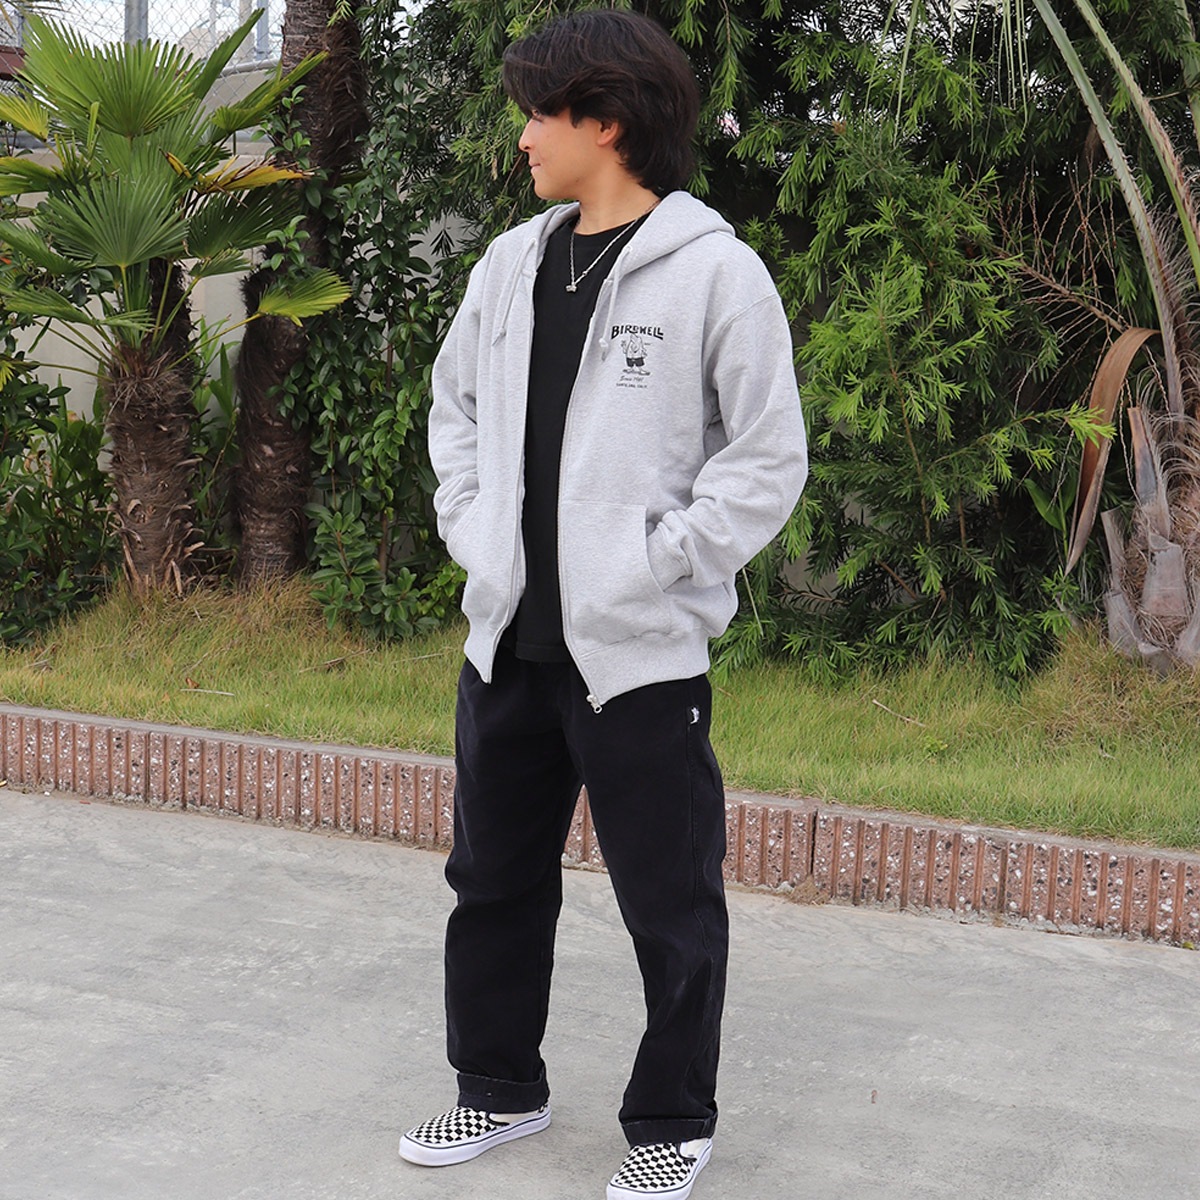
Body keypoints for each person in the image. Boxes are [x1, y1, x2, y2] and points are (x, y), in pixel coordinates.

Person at [399, 10, 807, 1199]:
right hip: (507, 649)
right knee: (490, 885)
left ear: (607, 122)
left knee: (669, 905)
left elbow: (765, 460)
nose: (524, 136)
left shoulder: (716, 272)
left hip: (638, 658)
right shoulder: (508, 265)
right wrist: (473, 529)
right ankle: (497, 1090)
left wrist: (661, 561)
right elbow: (454, 410)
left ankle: (673, 1119)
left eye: (540, 113)